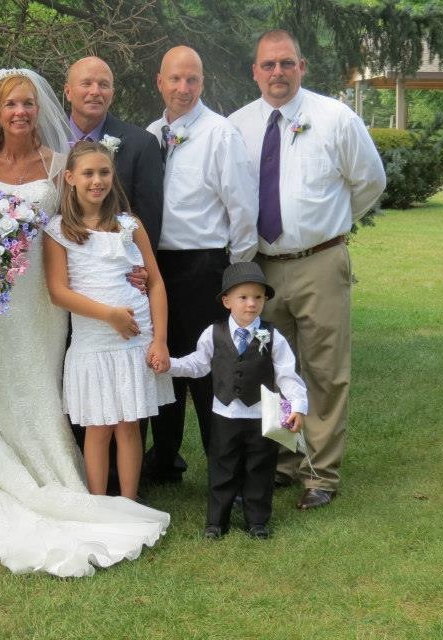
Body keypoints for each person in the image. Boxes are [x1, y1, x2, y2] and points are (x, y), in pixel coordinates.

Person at [0, 69, 169, 578]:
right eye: (11, 106)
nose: (21, 112)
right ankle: (5, 476)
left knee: (44, 386)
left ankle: (63, 474)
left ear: (38, 108)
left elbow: (89, 220)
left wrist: (126, 268)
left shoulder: (60, 163)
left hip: (50, 302)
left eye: (28, 103)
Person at [228, 30, 385, 510]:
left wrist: (325, 228)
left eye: (286, 63)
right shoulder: (237, 125)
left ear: (302, 66)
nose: (278, 73)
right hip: (262, 270)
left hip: (320, 263)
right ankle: (282, 462)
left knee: (324, 370)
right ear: (254, 71)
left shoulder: (335, 118)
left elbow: (370, 183)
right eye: (268, 65)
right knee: (271, 371)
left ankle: (321, 475)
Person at [143, 45, 258, 485]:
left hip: (205, 267)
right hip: (158, 269)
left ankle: (224, 466)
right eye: (175, 79)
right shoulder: (151, 134)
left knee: (209, 370)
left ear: (202, 83)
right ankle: (166, 457)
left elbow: (244, 211)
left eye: (192, 79)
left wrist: (234, 274)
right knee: (164, 363)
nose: (183, 88)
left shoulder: (220, 133)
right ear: (160, 81)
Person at [43, 141, 173, 500]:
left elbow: (156, 281)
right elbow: (58, 292)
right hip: (94, 342)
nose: (97, 180)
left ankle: (129, 501)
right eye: (88, 173)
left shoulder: (129, 226)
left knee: (129, 424)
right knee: (98, 426)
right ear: (70, 178)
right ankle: (99, 501)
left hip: (136, 340)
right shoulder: (58, 231)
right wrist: (110, 315)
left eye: (104, 172)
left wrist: (159, 339)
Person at [156, 262, 308, 539]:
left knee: (259, 470)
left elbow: (287, 374)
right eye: (243, 297)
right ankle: (216, 522)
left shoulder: (273, 337)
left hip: (262, 417)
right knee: (222, 468)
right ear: (227, 301)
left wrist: (298, 405)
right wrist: (171, 366)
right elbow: (198, 364)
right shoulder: (213, 334)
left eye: (258, 297)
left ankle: (258, 521)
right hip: (224, 416)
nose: (251, 304)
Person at [64, 56, 163, 248]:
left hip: (116, 264)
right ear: (68, 91)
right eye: (86, 84)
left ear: (112, 93)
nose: (95, 92)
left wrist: (141, 267)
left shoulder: (141, 144)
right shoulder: (46, 140)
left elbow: (148, 218)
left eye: (104, 85)